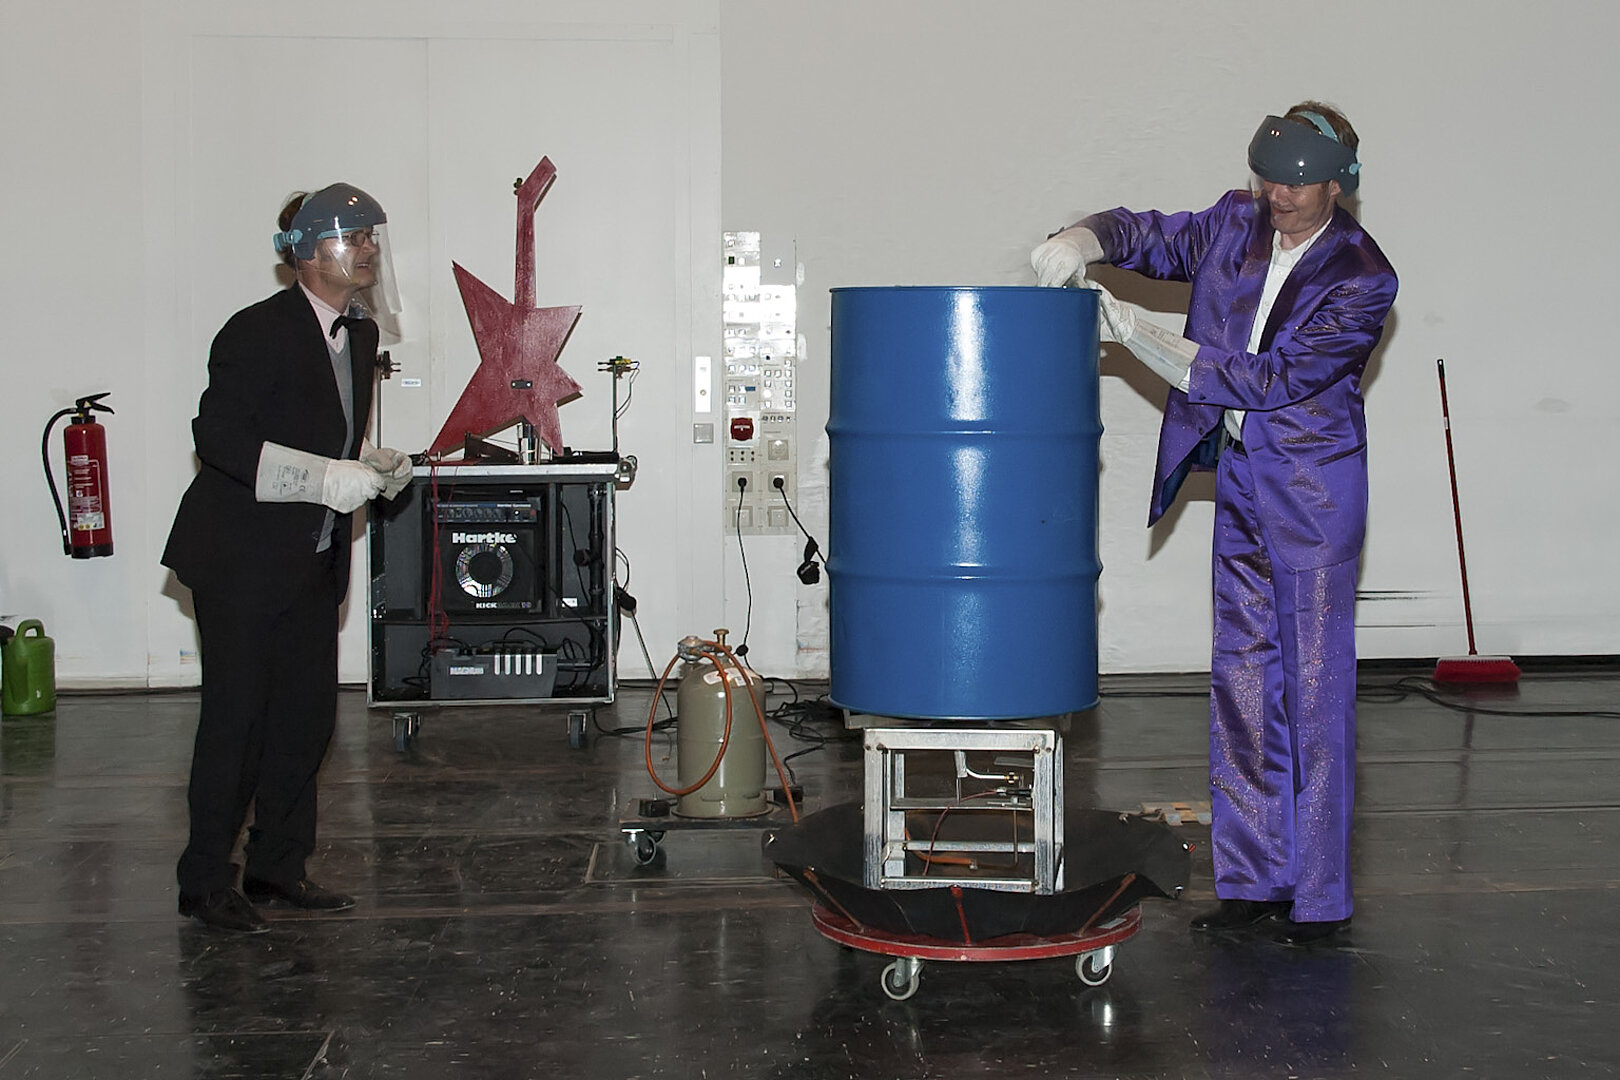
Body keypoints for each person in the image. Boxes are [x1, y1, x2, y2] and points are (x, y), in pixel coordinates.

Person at [1031, 103, 1398, 946]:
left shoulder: (1363, 277)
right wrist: (1083, 239)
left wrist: (1139, 336)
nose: (1278, 196)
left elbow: (1272, 379)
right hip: (1240, 481)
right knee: (1241, 682)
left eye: (1297, 183)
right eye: (1268, 178)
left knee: (1314, 694)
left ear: (1338, 184)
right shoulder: (1236, 222)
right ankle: (1253, 880)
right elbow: (1146, 235)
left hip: (1312, 497)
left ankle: (1319, 898)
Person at [163, 183, 414, 933]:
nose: (368, 250)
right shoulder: (255, 330)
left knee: (306, 721)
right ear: (305, 253)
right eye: (353, 238)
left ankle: (277, 866)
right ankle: (204, 880)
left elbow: (321, 430)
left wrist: (366, 461)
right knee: (236, 723)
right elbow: (218, 438)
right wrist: (321, 478)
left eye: (371, 238)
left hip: (311, 558)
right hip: (240, 559)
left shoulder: (359, 335)